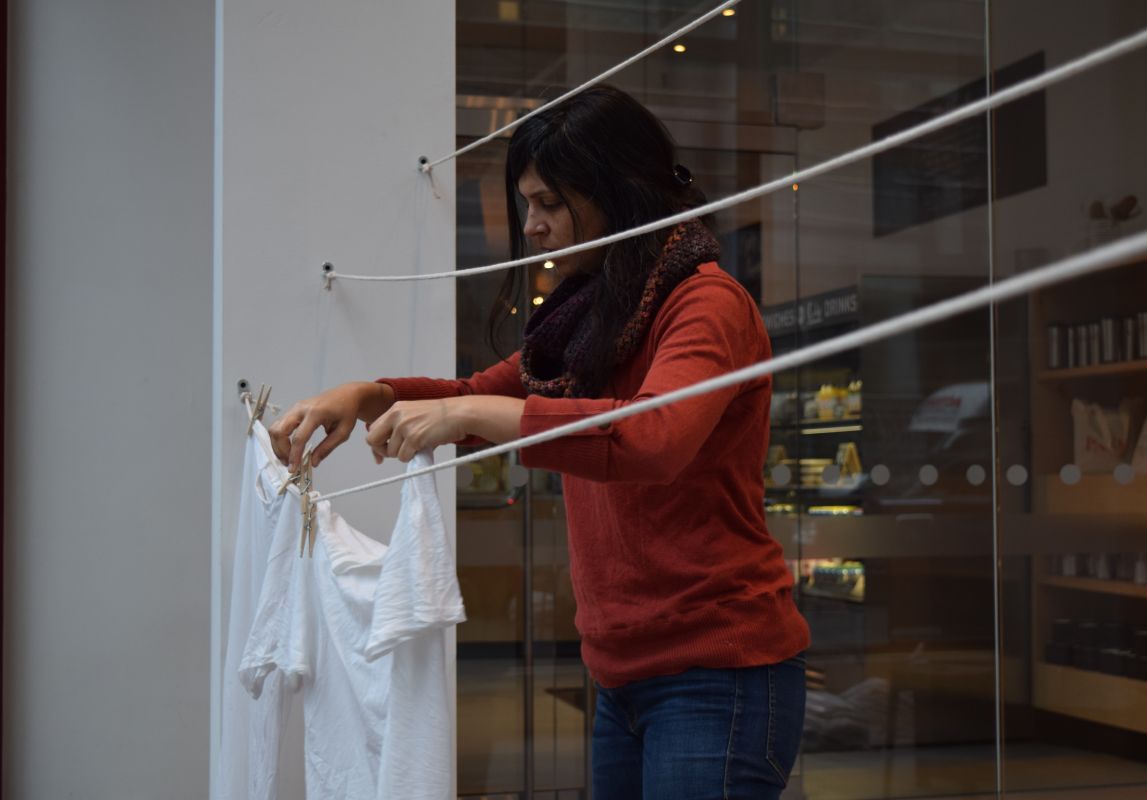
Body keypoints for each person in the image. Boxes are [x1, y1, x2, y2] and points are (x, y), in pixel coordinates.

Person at [269, 84, 810, 799]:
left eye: (550, 203)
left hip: (718, 672)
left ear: (619, 195)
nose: (531, 226)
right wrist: (367, 395)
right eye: (529, 203)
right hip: (622, 674)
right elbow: (471, 395)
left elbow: (651, 440)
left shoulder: (704, 303)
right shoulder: (594, 315)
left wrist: (485, 416)